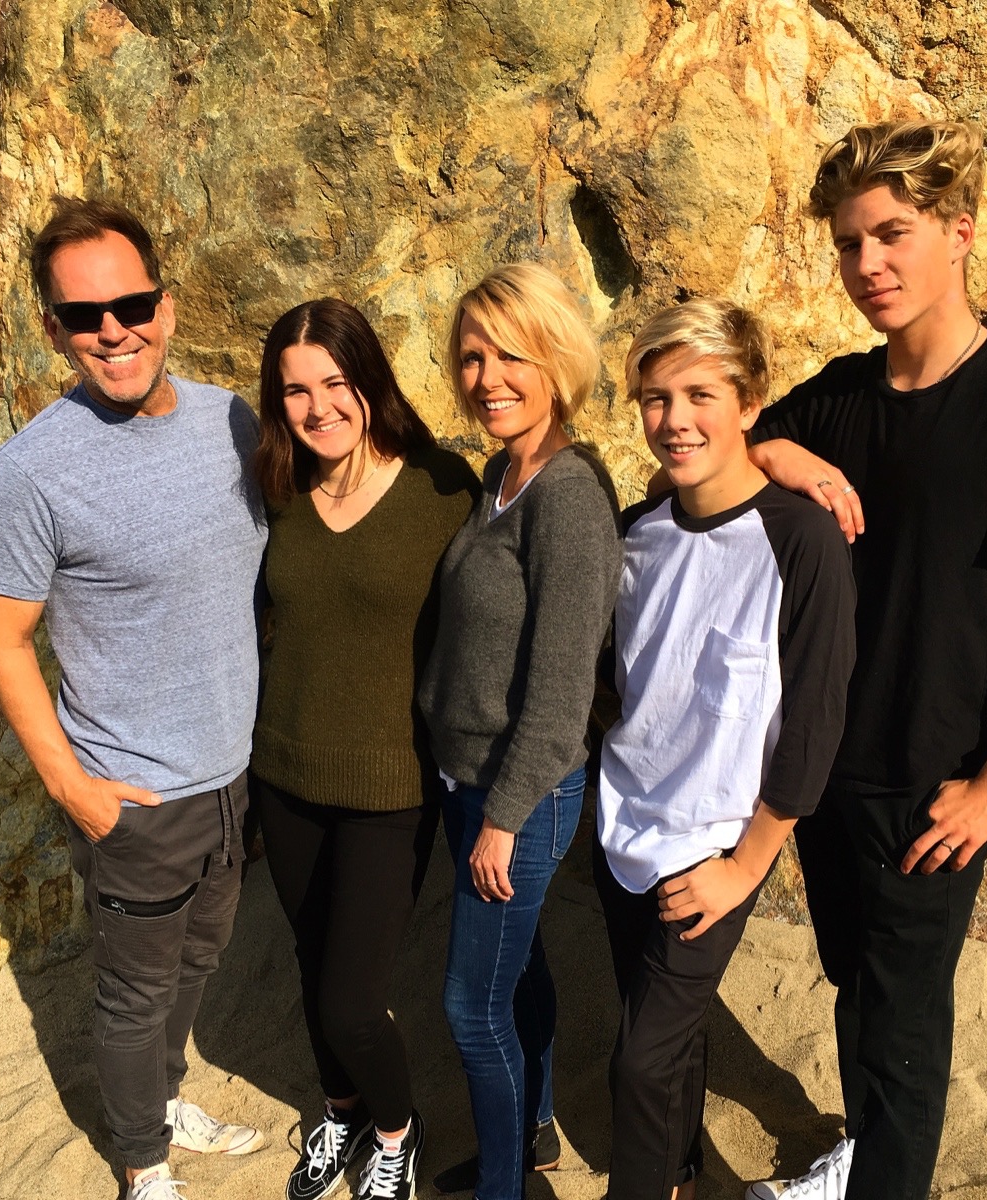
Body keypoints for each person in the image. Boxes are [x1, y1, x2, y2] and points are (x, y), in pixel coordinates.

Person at [742, 120, 987, 1200]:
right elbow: (725, 452)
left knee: (904, 1034)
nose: (868, 263)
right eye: (849, 243)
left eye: (892, 234)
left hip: (933, 783)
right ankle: (857, 1157)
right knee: (855, 987)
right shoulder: (834, 396)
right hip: (822, 767)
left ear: (960, 233)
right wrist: (778, 451)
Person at [0, 198, 269, 1200]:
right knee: (136, 994)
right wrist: (72, 788)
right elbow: (1, 637)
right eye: (83, 315)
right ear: (54, 330)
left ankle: (164, 1100)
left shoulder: (231, 421)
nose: (113, 330)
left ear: (165, 308)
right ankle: (143, 1164)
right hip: (133, 795)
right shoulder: (31, 472)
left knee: (201, 958)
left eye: (131, 305)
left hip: (230, 778)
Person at [593, 299, 857, 1200]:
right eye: (655, 398)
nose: (674, 420)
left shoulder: (801, 540)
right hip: (622, 821)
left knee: (638, 1060)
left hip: (713, 847)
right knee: (667, 1041)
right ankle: (679, 1175)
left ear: (749, 403)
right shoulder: (637, 534)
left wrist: (744, 869)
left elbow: (813, 724)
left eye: (700, 394)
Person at [248, 298, 478, 1200]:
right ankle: (340, 1111)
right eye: (295, 391)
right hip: (284, 773)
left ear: (369, 380)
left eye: (335, 382)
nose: (318, 408)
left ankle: (395, 1130)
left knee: (352, 1000)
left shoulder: (441, 488)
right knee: (314, 970)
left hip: (391, 786)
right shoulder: (278, 489)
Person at [418, 262, 623, 1200]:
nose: (488, 378)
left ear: (555, 361)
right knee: (519, 967)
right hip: (470, 778)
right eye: (472, 358)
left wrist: (502, 816)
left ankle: (506, 1188)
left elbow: (562, 688)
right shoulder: (505, 473)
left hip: (521, 794)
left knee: (471, 1007)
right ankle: (534, 1131)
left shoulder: (568, 495)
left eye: (511, 356)